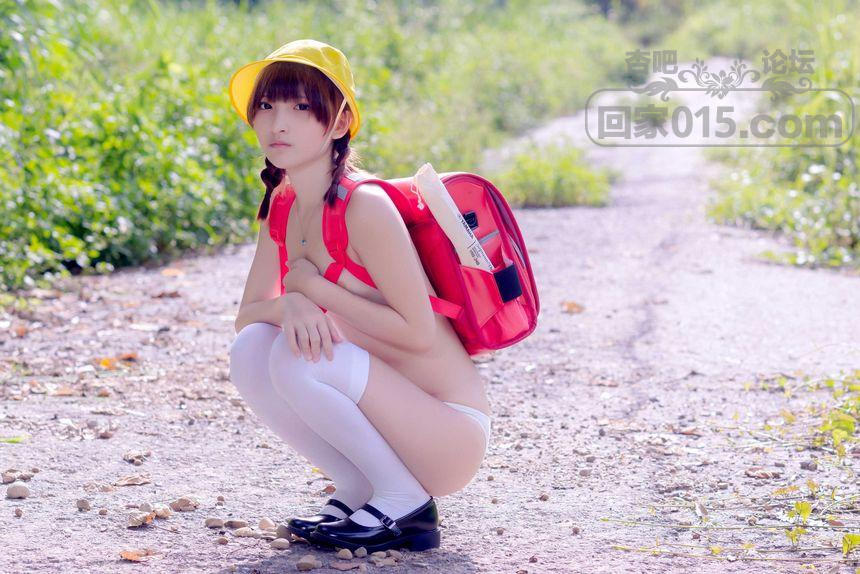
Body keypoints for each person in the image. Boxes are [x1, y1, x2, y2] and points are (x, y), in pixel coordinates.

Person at [226, 39, 491, 553]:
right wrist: (292, 301)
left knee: (297, 358)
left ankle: (406, 503)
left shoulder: (364, 206)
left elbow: (418, 333)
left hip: (447, 433)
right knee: (252, 348)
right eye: (267, 105)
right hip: (388, 417)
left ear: (340, 122)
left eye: (301, 107)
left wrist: (312, 286)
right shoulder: (282, 202)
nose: (278, 123)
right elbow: (249, 316)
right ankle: (358, 488)